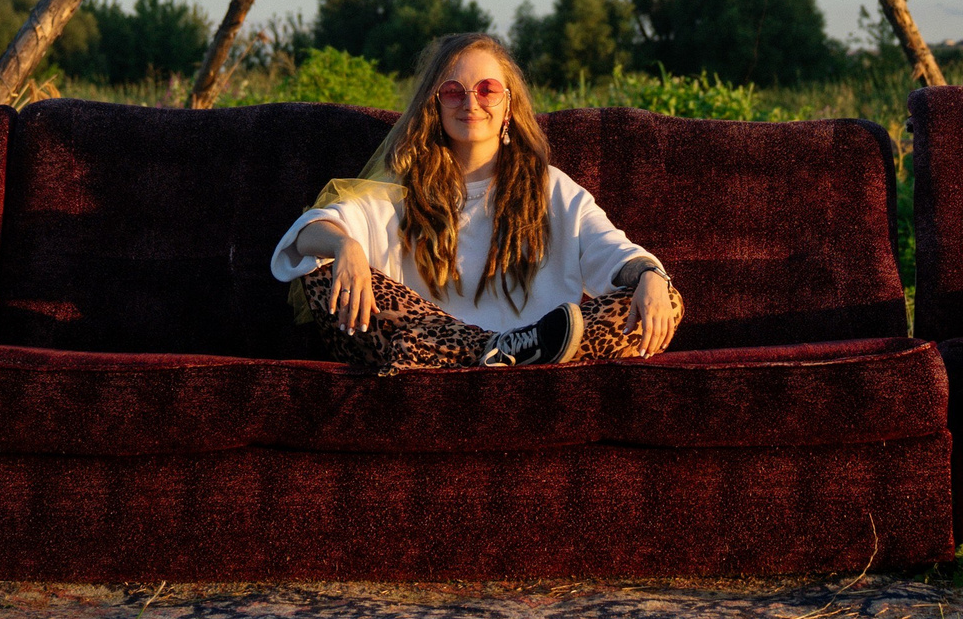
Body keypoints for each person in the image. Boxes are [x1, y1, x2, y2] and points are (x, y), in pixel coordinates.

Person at [270, 31, 684, 372]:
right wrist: (345, 245)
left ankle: (510, 347)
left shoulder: (549, 187)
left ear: (509, 105)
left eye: (487, 89)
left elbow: (612, 252)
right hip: (432, 339)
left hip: (446, 352)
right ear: (435, 104)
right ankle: (492, 350)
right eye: (454, 91)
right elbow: (307, 234)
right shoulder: (404, 186)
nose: (471, 102)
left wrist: (649, 275)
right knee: (322, 276)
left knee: (663, 298)